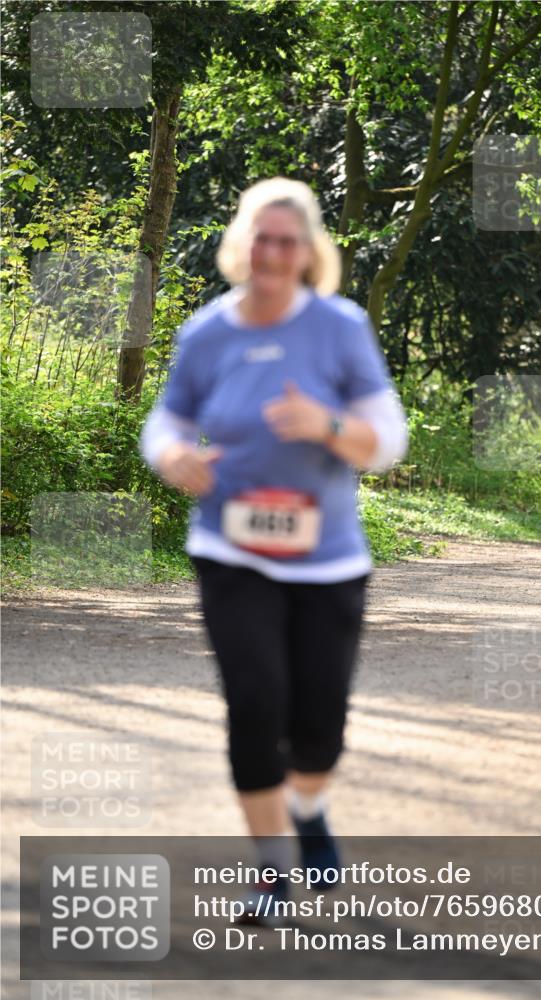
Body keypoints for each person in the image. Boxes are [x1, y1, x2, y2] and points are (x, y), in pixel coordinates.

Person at [140, 176, 408, 924]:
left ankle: (307, 806)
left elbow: (386, 443)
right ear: (241, 244)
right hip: (232, 550)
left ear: (306, 252)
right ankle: (268, 868)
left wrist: (323, 424)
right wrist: (171, 457)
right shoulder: (208, 332)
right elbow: (164, 421)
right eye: (261, 236)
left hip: (328, 559)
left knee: (319, 722)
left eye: (287, 240)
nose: (272, 252)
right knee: (254, 702)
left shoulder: (341, 327)